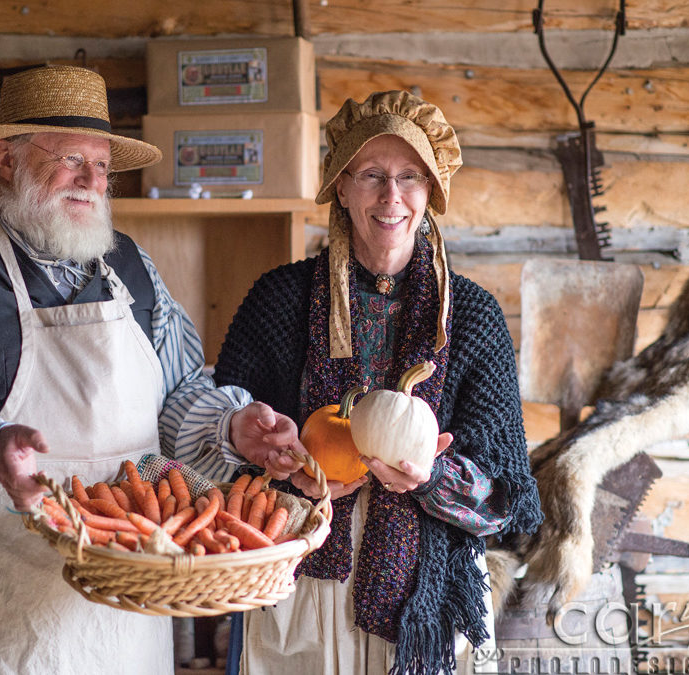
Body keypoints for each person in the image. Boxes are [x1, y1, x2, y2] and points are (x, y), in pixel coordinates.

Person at [0, 65, 303, 675]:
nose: (92, 181)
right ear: (6, 159)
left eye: (103, 167)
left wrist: (231, 429)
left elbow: (179, 396)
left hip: (127, 609)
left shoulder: (133, 268)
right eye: (70, 159)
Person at [213, 90, 543, 674]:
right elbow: (220, 455)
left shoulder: (472, 316)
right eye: (371, 175)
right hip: (300, 588)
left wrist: (432, 476)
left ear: (431, 192)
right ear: (341, 187)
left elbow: (506, 501)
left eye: (410, 176)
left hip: (430, 599)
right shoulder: (279, 299)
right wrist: (287, 479)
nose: (392, 197)